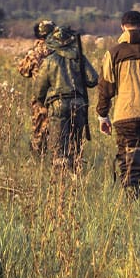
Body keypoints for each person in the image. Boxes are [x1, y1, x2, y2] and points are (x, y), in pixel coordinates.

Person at [95, 10, 140, 198]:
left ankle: (130, 206)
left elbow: (105, 88)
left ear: (122, 27)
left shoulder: (114, 53)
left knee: (129, 163)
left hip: (125, 116)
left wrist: (103, 115)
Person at [33, 25, 99, 170]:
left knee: (58, 146)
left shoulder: (49, 60)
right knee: (75, 144)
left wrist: (42, 101)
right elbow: (93, 79)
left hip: (58, 105)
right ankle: (75, 176)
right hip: (79, 103)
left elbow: (38, 91)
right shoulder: (79, 57)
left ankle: (60, 182)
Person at [17, 19, 55, 155]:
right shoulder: (59, 52)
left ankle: (39, 160)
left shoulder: (33, 53)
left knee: (39, 134)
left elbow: (23, 70)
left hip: (40, 100)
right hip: (59, 98)